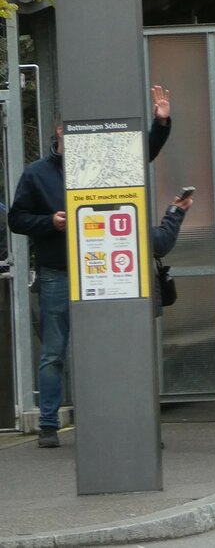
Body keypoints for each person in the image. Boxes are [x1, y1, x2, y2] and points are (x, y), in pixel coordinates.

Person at [7, 85, 174, 449]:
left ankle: (130, 421)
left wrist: (161, 124)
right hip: (59, 272)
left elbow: (142, 153)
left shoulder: (103, 161)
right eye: (72, 129)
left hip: (107, 272)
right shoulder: (36, 174)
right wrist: (50, 222)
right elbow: (16, 219)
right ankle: (48, 425)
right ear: (60, 131)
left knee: (118, 347)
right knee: (54, 351)